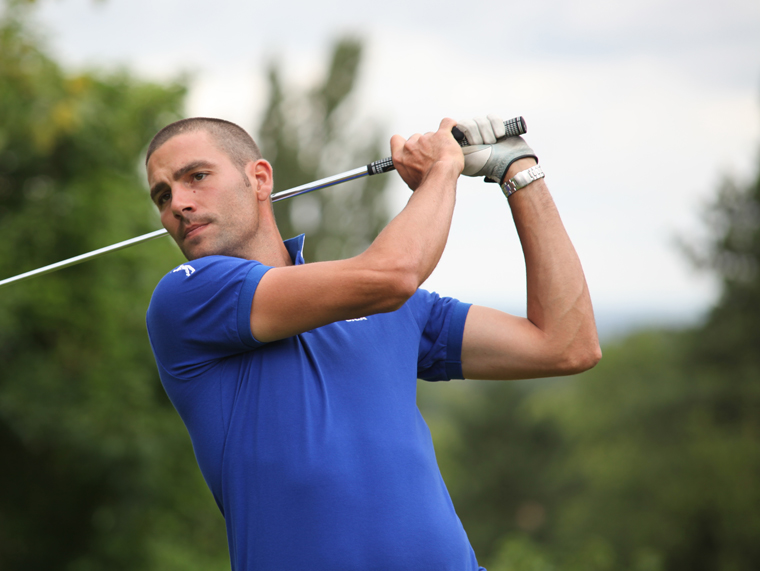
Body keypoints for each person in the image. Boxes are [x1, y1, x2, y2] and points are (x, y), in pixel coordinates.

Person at [144, 115, 600, 571]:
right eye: (163, 196)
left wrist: (518, 171)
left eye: (196, 177)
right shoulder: (186, 297)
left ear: (259, 178)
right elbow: (394, 274)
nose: (179, 204)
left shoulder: (391, 308)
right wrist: (443, 168)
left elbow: (566, 344)